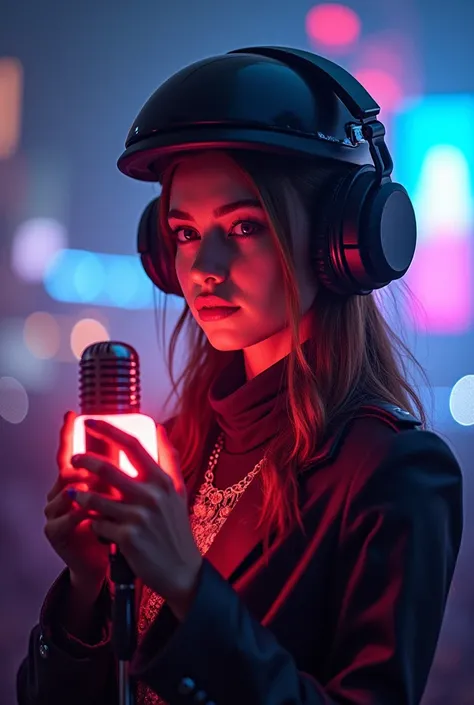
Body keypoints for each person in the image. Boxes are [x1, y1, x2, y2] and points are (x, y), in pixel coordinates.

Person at [17, 46, 463, 705]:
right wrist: (89, 587)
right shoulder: (177, 452)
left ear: (341, 242)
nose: (204, 267)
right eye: (186, 232)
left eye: (244, 225)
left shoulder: (395, 472)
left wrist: (188, 585)